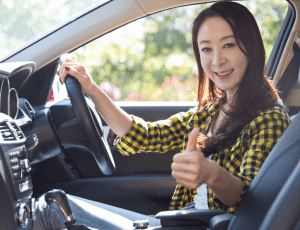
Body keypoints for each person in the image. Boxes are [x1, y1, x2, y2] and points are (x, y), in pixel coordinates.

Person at [33, 1, 290, 229]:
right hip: (183, 220)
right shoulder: (213, 110)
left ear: (252, 47)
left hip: (207, 225)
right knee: (55, 204)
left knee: (50, 211)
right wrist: (90, 88)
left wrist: (212, 174)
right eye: (206, 49)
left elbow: (253, 205)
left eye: (229, 45)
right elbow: (144, 136)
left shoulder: (269, 118)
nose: (217, 60)